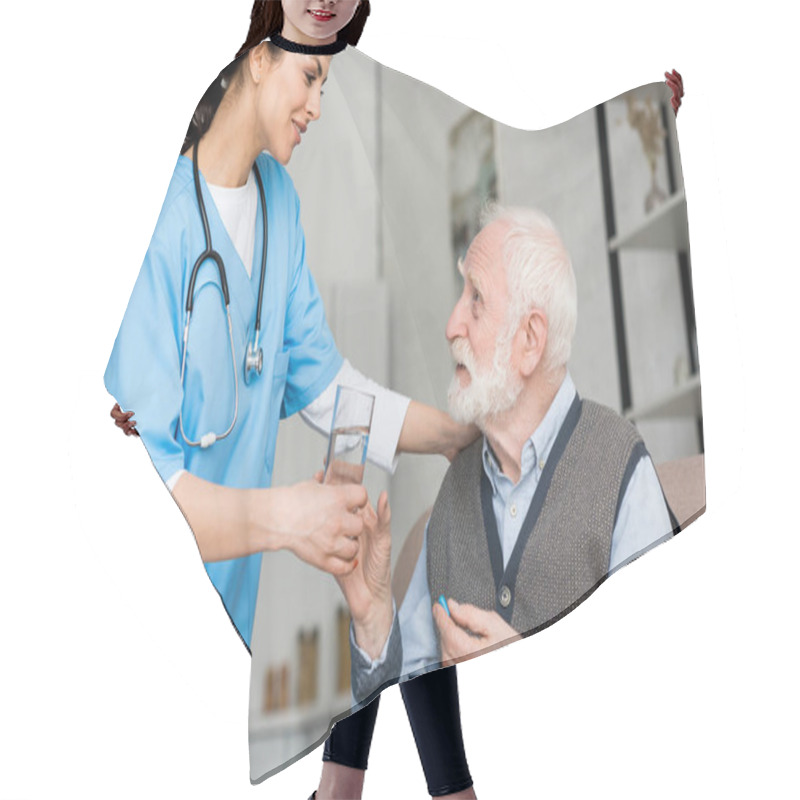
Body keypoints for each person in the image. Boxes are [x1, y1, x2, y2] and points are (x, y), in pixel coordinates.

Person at [106, 3, 477, 797]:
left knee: (392, 561)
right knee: (373, 570)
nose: (317, 102)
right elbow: (175, 479)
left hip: (276, 539)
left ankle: (355, 791)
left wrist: (447, 434)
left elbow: (329, 387)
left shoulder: (278, 199)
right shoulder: (163, 218)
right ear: (257, 61)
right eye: (309, 77)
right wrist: (292, 517)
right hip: (216, 558)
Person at [338, 205, 676, 701]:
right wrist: (371, 623)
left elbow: (668, 680)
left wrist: (529, 679)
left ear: (529, 340)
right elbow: (400, 711)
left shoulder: (621, 469)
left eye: (476, 298)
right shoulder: (452, 499)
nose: (452, 324)